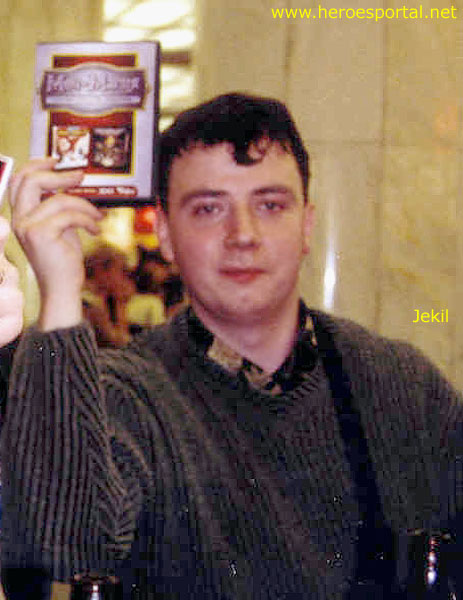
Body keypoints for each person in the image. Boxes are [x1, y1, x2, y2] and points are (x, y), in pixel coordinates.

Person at [2, 94, 463, 600]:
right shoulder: (128, 393)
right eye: (208, 208)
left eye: (270, 205)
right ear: (165, 234)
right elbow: (66, 553)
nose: (243, 234)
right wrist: (61, 293)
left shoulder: (402, 386)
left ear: (307, 226)